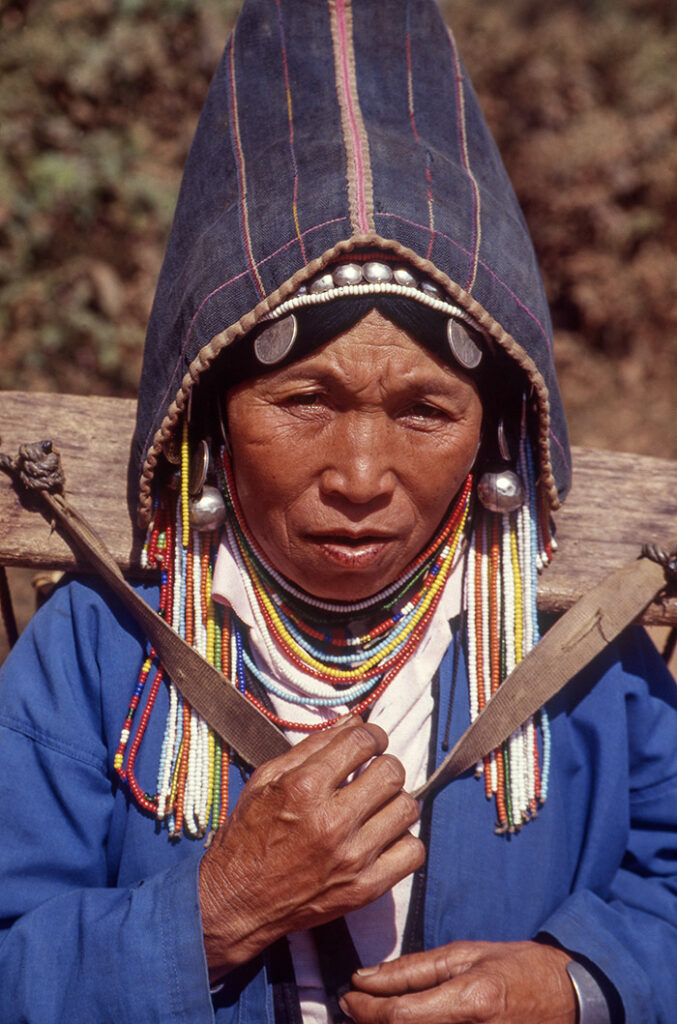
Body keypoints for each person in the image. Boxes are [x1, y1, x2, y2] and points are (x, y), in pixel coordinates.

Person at [1, 1, 676, 1021]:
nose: (359, 474)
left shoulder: (580, 667)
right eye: (303, 401)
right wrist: (214, 910)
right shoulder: (96, 657)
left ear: (491, 434)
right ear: (210, 412)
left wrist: (577, 985)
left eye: (423, 411)